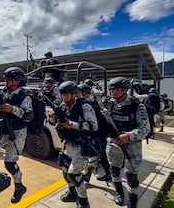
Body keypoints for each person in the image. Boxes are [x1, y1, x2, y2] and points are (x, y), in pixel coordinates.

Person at [0, 67, 33, 204]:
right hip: (3, 127)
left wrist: (12, 109)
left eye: (8, 79)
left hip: (17, 132)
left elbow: (29, 116)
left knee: (10, 163)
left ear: (17, 81)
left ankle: (19, 186)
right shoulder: (5, 92)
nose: (6, 82)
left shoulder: (24, 96)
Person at [105, 77, 150, 208]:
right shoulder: (109, 104)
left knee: (131, 176)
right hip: (113, 144)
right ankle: (119, 193)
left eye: (117, 89)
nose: (113, 92)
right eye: (112, 89)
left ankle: (133, 199)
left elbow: (145, 129)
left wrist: (129, 136)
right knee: (114, 170)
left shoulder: (137, 106)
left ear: (125, 90)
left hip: (131, 145)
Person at [56, 81, 98, 208]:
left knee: (74, 174)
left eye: (66, 95)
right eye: (62, 95)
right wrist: (53, 118)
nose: (64, 98)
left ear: (73, 94)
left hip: (82, 145)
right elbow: (58, 123)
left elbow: (93, 126)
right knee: (64, 169)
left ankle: (84, 201)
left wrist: (73, 124)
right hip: (69, 144)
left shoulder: (84, 107)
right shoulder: (63, 106)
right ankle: (72, 193)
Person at [77, 84, 111, 183]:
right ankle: (88, 175)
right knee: (94, 155)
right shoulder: (93, 102)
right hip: (97, 133)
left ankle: (108, 174)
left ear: (84, 93)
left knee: (99, 155)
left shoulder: (89, 104)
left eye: (79, 93)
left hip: (98, 134)